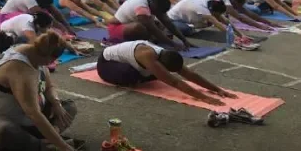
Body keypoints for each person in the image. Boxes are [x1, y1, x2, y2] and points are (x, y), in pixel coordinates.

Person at [0, 31, 79, 151]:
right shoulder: (19, 67)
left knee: (68, 107)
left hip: (26, 121)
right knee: (6, 131)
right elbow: (33, 113)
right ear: (50, 57)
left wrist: (56, 104)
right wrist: (64, 147)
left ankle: (50, 137)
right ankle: (43, 145)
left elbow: (49, 86)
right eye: (53, 61)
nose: (51, 64)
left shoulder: (36, 55)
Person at [96, 41, 237, 106]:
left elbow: (190, 75)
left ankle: (144, 74)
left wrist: (217, 89)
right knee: (131, 76)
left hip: (134, 61)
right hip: (106, 63)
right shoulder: (147, 55)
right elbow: (174, 81)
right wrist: (203, 97)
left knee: (154, 75)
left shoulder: (165, 55)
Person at [105, 0, 192, 50]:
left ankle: (151, 39)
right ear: (155, 7)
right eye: (158, 12)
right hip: (115, 29)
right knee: (139, 27)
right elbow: (154, 30)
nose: (158, 14)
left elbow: (168, 22)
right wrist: (173, 44)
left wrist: (184, 40)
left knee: (159, 24)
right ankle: (148, 40)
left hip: (127, 25)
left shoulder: (152, 2)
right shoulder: (142, 8)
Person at [1, 0, 76, 36]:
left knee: (47, 26)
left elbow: (55, 12)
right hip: (7, 17)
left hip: (21, 13)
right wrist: (62, 29)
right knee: (40, 24)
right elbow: (46, 18)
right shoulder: (30, 1)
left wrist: (67, 27)